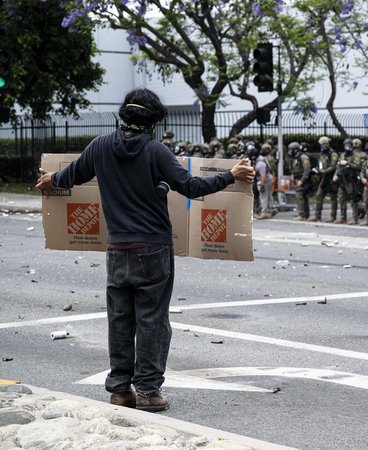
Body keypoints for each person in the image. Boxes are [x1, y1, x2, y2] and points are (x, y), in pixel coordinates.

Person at [35, 88, 254, 412]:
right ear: (151, 122)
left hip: (117, 250)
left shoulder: (100, 147)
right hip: (153, 250)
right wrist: (231, 175)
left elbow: (71, 176)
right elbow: (193, 187)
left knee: (120, 320)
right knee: (152, 320)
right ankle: (150, 393)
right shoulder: (156, 152)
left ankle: (120, 390)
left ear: (122, 115)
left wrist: (51, 178)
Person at [333, 138, 364, 224]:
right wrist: (336, 174)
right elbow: (339, 166)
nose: (347, 147)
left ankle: (355, 218)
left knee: (352, 198)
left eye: (348, 145)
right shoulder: (342, 155)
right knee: (341, 198)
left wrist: (347, 163)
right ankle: (343, 217)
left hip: (351, 179)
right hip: (342, 179)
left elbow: (358, 167)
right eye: (345, 145)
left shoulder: (355, 155)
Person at [311, 136, 339, 223]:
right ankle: (317, 215)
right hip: (324, 178)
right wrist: (318, 170)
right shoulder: (322, 154)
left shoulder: (333, 154)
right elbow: (320, 164)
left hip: (331, 178)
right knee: (319, 195)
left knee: (333, 198)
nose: (322, 146)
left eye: (323, 144)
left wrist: (325, 171)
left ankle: (333, 216)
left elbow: (333, 166)